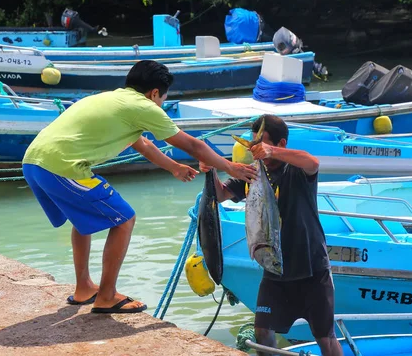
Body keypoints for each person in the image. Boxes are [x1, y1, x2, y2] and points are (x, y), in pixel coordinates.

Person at [22, 60, 257, 314]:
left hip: (34, 162)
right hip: (61, 167)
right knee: (124, 220)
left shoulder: (115, 100)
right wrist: (231, 168)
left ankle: (84, 289)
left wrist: (173, 167)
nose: (161, 105)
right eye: (163, 99)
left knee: (82, 221)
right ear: (155, 92)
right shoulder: (144, 106)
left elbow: (142, 144)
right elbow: (193, 146)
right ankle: (107, 296)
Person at [200, 114, 342, 356]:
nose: (256, 149)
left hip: (311, 269)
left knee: (324, 337)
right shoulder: (254, 174)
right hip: (275, 270)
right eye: (254, 144)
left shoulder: (296, 170)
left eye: (261, 143)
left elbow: (313, 162)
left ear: (281, 143)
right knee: (262, 331)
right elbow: (221, 194)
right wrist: (210, 168)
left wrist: (271, 152)